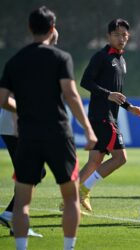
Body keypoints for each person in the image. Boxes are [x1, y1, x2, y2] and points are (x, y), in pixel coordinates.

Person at [0, 6, 97, 250]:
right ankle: (68, 247)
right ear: (52, 29)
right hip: (57, 134)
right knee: (70, 196)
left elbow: (1, 99)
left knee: (22, 201)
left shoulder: (15, 61)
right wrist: (87, 128)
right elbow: (71, 96)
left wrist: (21, 108)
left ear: (29, 28)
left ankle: (20, 247)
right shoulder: (60, 57)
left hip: (28, 136)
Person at [78, 18, 140, 212]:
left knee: (94, 161)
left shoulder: (121, 60)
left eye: (124, 35)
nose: (121, 38)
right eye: (116, 34)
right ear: (108, 36)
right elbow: (85, 82)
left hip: (107, 116)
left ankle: (69, 199)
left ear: (128, 36)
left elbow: (116, 93)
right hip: (102, 116)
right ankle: (83, 190)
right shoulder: (101, 56)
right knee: (120, 158)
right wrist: (108, 95)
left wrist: (129, 107)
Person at [0, 27, 59, 237]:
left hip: (14, 125)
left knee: (32, 173)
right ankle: (12, 217)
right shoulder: (34, 61)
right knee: (33, 173)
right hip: (16, 126)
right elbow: (7, 98)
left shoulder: (26, 58)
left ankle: (12, 216)